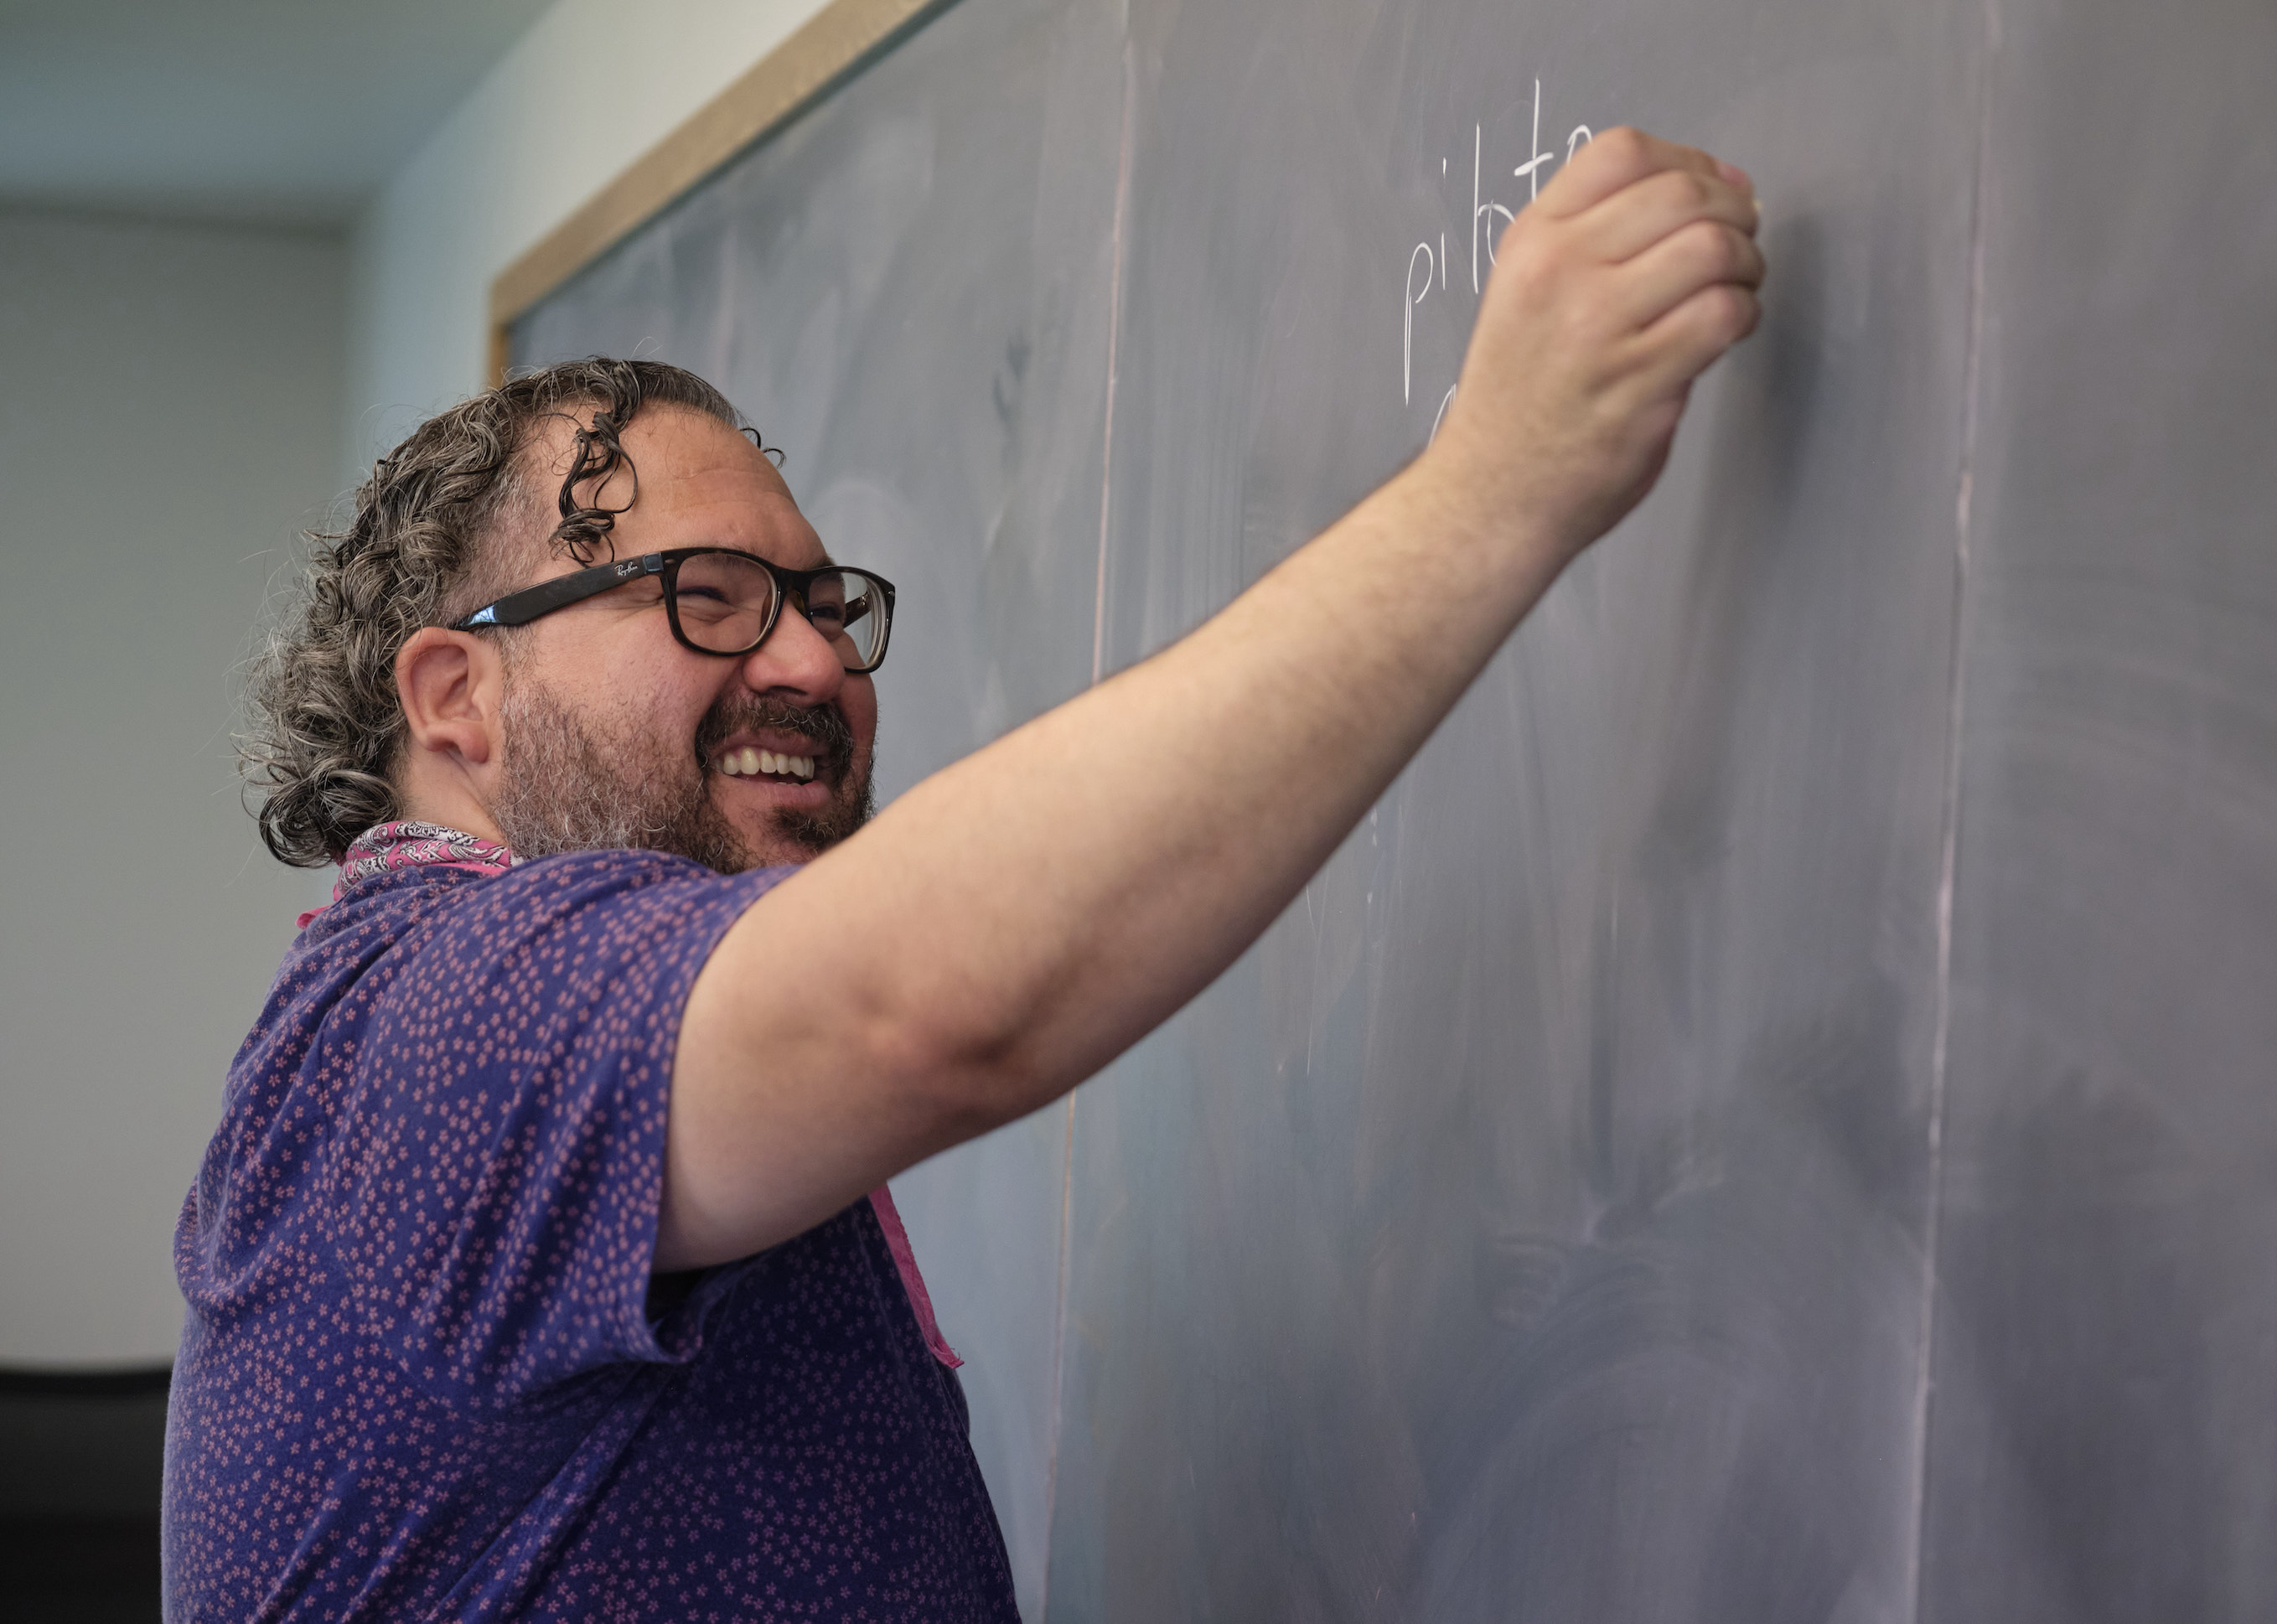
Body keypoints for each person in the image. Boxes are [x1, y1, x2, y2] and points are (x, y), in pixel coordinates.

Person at [166, 128, 1763, 1621]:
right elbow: (930, 1004)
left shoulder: (500, 1048)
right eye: (707, 595)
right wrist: (1500, 483)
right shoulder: (438, 1017)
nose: (808, 658)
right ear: (458, 697)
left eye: (821, 601)